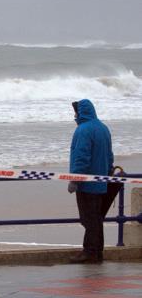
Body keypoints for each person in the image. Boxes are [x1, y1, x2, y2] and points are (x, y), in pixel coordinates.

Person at [68, 99, 114, 264]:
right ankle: (97, 251)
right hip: (101, 182)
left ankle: (90, 252)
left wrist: (75, 179)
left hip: (87, 184)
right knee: (96, 218)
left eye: (75, 112)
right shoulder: (103, 128)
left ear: (81, 113)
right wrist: (108, 174)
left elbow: (81, 157)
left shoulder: (83, 130)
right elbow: (110, 156)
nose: (74, 115)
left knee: (89, 219)